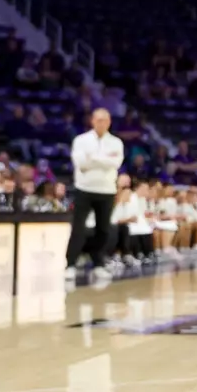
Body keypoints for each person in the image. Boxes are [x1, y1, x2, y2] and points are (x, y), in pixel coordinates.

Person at [66, 107, 125, 274]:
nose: (102, 123)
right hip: (84, 188)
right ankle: (70, 264)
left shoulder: (116, 142)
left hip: (107, 190)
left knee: (103, 229)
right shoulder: (81, 140)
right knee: (78, 228)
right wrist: (105, 160)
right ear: (92, 121)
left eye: (105, 120)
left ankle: (98, 263)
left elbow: (115, 164)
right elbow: (81, 163)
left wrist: (93, 158)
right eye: (98, 120)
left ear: (109, 122)